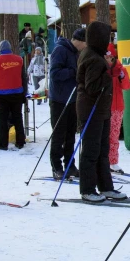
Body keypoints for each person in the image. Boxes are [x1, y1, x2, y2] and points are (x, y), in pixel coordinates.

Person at [77, 21, 126, 202]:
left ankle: (105, 186)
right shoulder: (92, 58)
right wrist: (108, 72)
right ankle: (88, 189)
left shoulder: (96, 55)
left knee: (102, 150)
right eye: (107, 37)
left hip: (101, 110)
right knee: (91, 150)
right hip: (92, 109)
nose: (109, 41)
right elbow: (92, 87)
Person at [49, 29, 86, 179]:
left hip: (72, 98)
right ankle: (56, 167)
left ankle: (70, 165)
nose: (86, 46)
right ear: (79, 40)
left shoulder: (75, 53)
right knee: (59, 135)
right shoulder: (60, 50)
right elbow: (54, 74)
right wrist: (72, 72)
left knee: (71, 134)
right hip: (59, 99)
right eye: (85, 43)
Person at [0, 40, 27, 150]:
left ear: (0, 49)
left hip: (2, 94)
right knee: (18, 118)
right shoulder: (19, 59)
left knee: (3, 120)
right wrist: (24, 93)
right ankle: (20, 141)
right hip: (17, 93)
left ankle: (3, 144)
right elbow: (23, 78)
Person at [105, 43, 130, 174]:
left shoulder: (120, 68)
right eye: (106, 57)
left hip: (117, 107)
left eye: (110, 57)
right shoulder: (101, 68)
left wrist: (122, 76)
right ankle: (103, 162)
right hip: (104, 107)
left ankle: (113, 162)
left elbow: (126, 86)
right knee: (103, 136)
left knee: (114, 136)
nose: (108, 60)